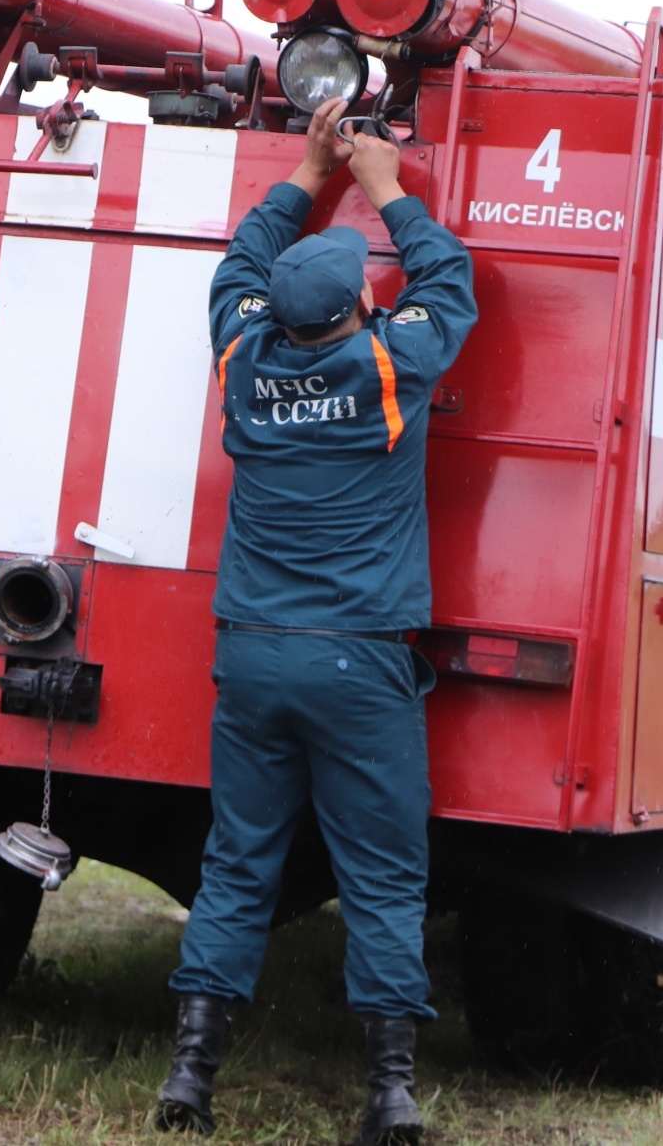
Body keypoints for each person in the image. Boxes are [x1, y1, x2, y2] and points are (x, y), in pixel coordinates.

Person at [152, 97, 476, 1143]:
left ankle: (189, 1081)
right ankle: (386, 1093)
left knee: (238, 861)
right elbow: (447, 277)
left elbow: (235, 267)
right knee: (381, 876)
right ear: (356, 309)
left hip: (250, 656)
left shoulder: (243, 363)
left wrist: (303, 170)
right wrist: (380, 182)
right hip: (357, 662)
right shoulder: (390, 368)